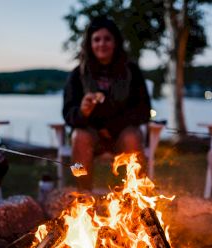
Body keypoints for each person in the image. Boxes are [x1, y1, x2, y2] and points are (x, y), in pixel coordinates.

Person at [63, 16, 151, 191]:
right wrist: (82, 112)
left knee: (132, 137)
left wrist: (112, 126)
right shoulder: (77, 74)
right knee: (78, 137)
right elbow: (68, 114)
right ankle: (82, 191)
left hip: (122, 134)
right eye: (96, 39)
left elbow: (143, 110)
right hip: (90, 136)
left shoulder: (131, 71)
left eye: (107, 39)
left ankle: (136, 194)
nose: (101, 44)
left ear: (115, 42)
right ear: (90, 44)